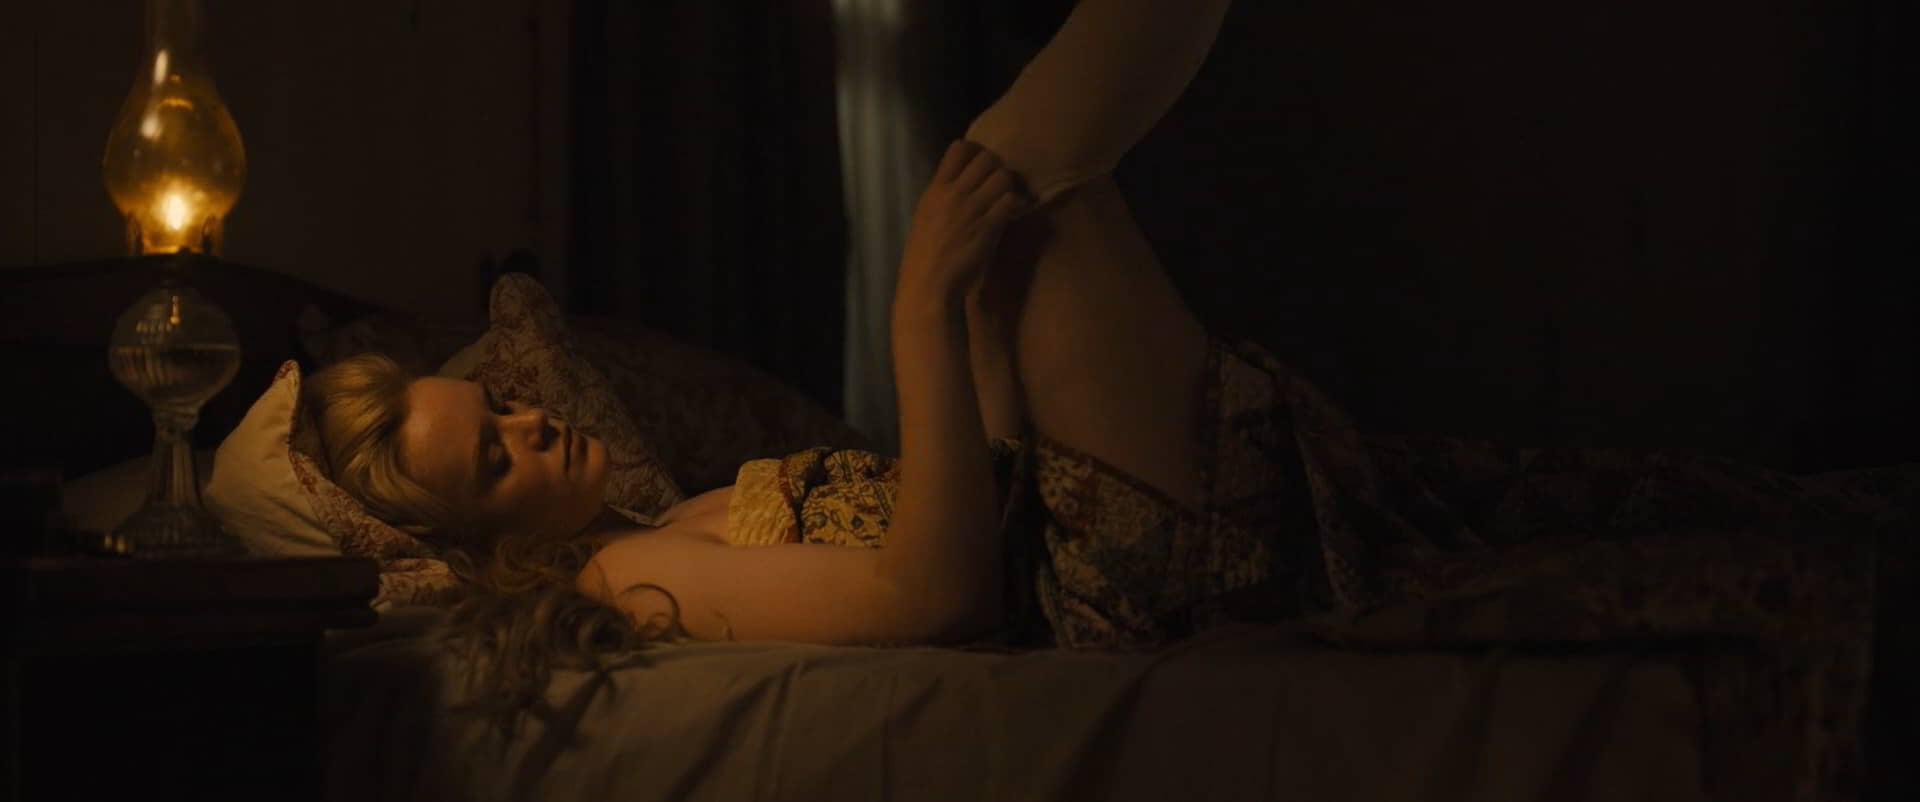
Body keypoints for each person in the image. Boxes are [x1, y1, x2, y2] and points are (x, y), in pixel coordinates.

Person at [310, 0, 1250, 653]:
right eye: (495, 458)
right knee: (1018, 165)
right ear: (486, 544)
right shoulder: (620, 578)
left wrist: (973, 312)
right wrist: (919, 311)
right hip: (1089, 588)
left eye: (501, 406)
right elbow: (932, 598)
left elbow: (985, 491)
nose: (532, 423)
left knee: (1004, 188)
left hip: (1051, 532)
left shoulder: (664, 520)